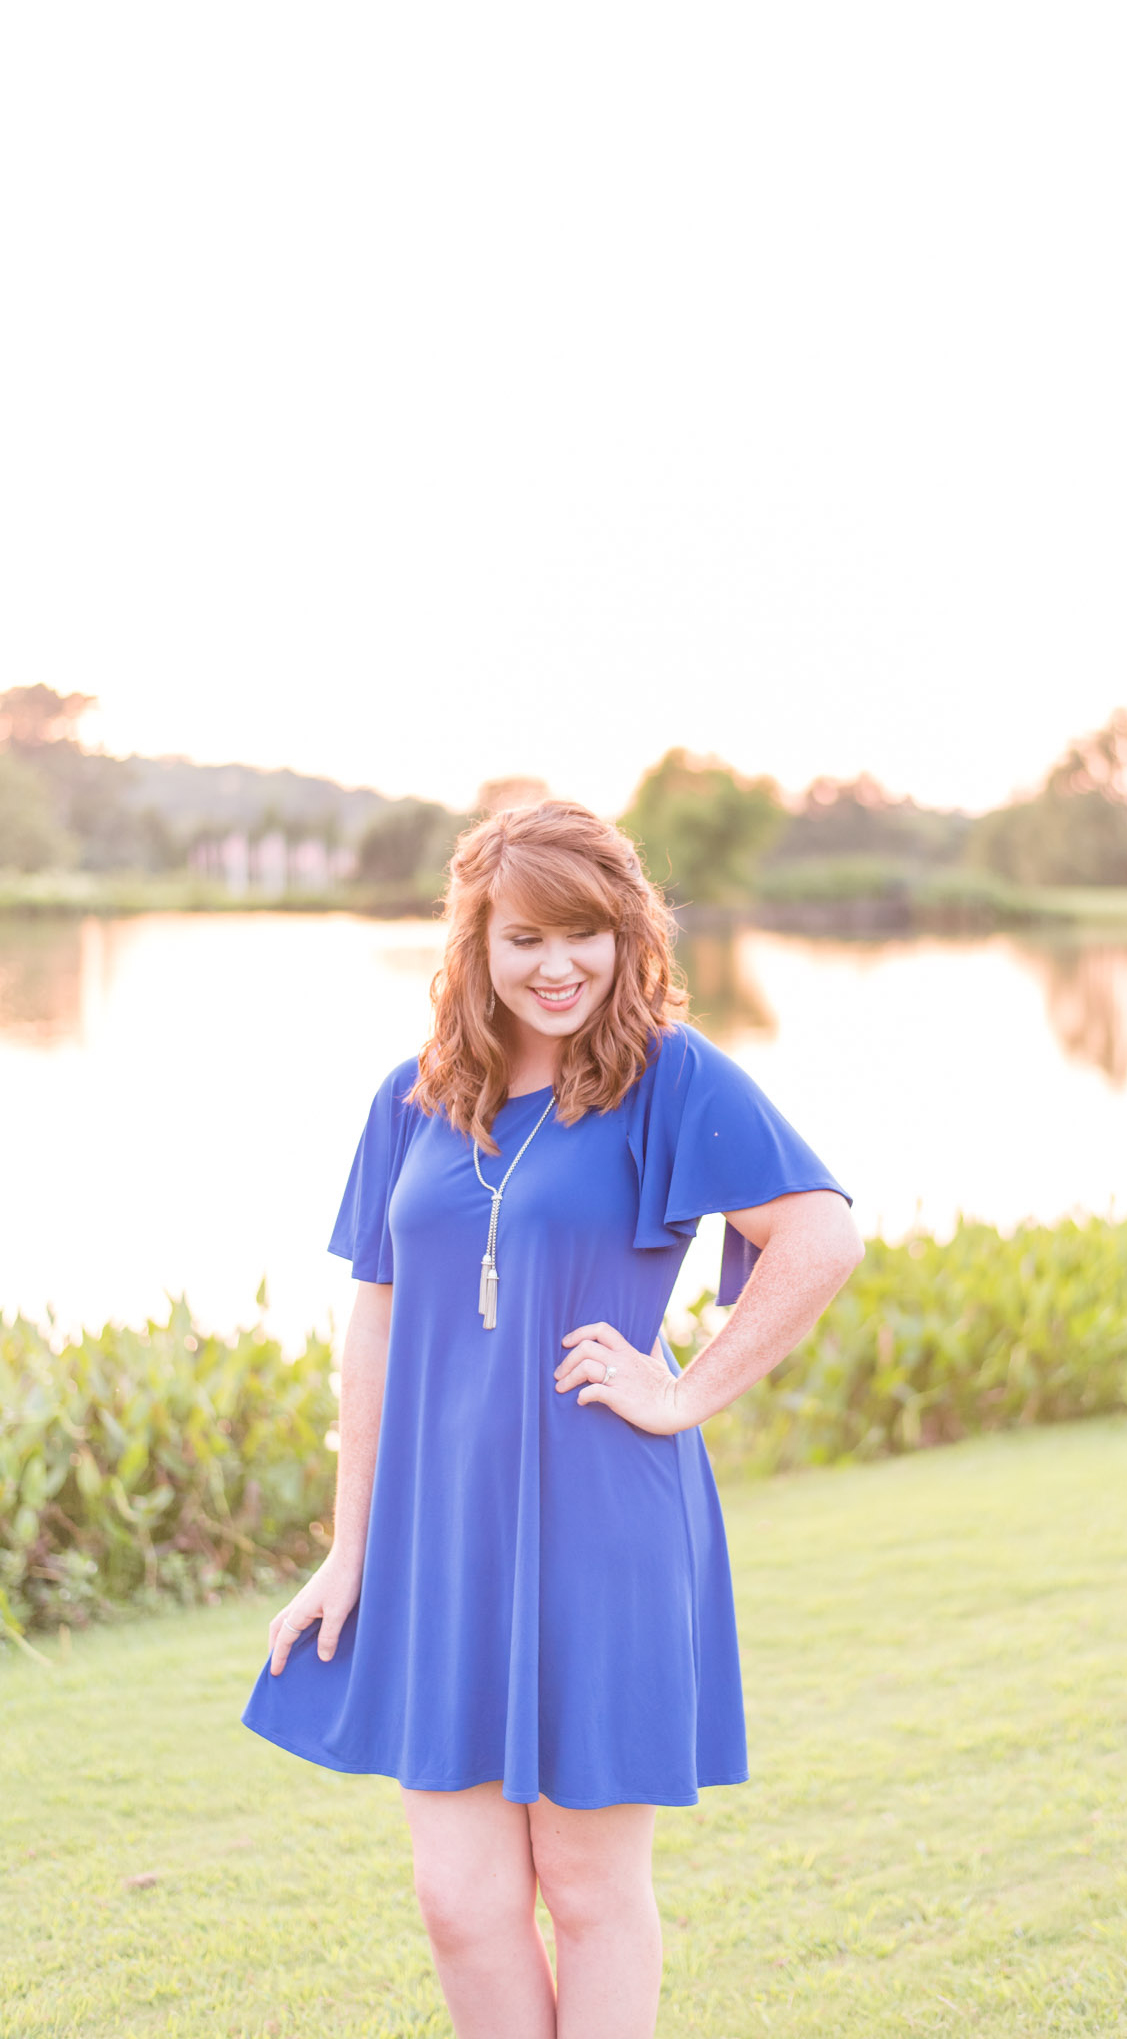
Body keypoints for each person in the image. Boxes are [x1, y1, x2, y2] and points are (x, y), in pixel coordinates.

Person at [241, 800, 862, 2039]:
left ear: (630, 936)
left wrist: (681, 1390)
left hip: (600, 1520)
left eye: (589, 933)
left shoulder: (666, 1076)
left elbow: (819, 1233)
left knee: (585, 1887)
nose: (559, 964)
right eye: (527, 935)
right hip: (439, 1533)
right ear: (477, 941)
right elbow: (372, 1326)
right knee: (460, 1900)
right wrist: (348, 1545)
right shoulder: (409, 1102)